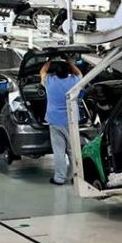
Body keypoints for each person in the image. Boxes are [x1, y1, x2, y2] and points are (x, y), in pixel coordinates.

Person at [41, 58, 83, 186]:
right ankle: (76, 177)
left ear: (55, 72)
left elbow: (42, 72)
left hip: (54, 120)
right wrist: (70, 62)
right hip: (71, 120)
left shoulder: (50, 81)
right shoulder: (75, 81)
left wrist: (49, 61)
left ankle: (59, 178)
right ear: (68, 71)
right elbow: (79, 73)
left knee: (59, 151)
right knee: (73, 150)